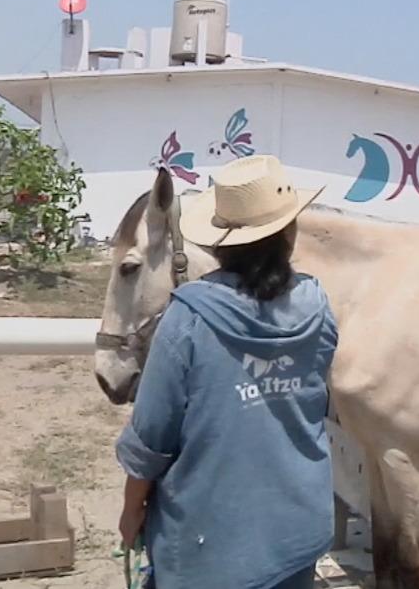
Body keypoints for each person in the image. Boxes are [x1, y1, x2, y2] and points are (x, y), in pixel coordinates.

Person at [115, 156, 338, 589]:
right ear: (288, 235)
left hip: (210, 544)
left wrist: (131, 511)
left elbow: (152, 437)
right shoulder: (316, 304)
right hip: (298, 529)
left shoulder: (188, 317)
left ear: (220, 242)